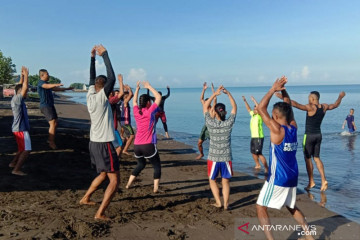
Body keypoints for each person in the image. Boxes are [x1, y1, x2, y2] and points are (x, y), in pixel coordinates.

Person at [256, 76, 314, 240]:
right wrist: (283, 90)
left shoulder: (276, 129)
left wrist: (272, 89)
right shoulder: (293, 127)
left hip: (278, 178)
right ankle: (309, 236)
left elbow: (261, 108)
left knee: (261, 207)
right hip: (292, 176)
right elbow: (289, 108)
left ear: (275, 115)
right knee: (291, 206)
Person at [79, 45, 119, 221]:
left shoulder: (89, 94)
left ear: (95, 85)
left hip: (93, 143)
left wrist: (92, 58)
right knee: (115, 181)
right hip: (103, 144)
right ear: (104, 89)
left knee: (103, 174)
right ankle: (100, 213)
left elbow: (91, 78)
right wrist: (105, 55)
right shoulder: (102, 97)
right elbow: (111, 77)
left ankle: (86, 197)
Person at [277, 90, 346, 191]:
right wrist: (340, 97)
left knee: (307, 158)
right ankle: (323, 180)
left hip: (309, 136)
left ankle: (311, 182)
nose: (308, 99)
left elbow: (296, 104)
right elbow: (335, 105)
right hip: (318, 135)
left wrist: (284, 98)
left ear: (313, 99)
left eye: (309, 98)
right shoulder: (324, 107)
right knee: (317, 158)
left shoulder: (310, 108)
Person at [203, 85, 237, 210]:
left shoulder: (210, 123)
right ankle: (226, 204)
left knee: (212, 180)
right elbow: (235, 107)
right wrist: (228, 94)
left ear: (215, 112)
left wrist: (214, 94)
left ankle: (218, 202)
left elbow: (205, 106)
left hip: (213, 158)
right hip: (226, 158)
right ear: (225, 112)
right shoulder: (228, 124)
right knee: (225, 181)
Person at [126, 81, 162, 193]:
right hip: (148, 145)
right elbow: (158, 97)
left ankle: (128, 184)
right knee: (157, 166)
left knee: (141, 164)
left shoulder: (137, 111)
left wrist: (137, 89)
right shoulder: (150, 111)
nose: (151, 102)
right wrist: (149, 86)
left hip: (137, 145)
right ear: (147, 103)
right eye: (150, 101)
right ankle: (156, 188)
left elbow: (134, 101)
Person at [37, 69, 73, 149]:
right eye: (47, 74)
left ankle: (50, 139)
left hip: (50, 105)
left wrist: (67, 89)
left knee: (55, 123)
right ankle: (51, 142)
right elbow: (46, 86)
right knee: (52, 123)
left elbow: (55, 89)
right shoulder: (41, 83)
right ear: (42, 75)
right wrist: (56, 84)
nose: (48, 75)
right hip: (45, 106)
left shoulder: (47, 83)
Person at [9, 66, 31, 176]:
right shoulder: (17, 99)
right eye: (25, 91)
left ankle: (13, 163)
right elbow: (24, 87)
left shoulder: (15, 97)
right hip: (21, 129)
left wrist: (22, 76)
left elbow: (20, 86)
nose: (27, 93)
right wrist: (26, 76)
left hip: (18, 128)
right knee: (26, 150)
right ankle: (16, 169)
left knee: (21, 149)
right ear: (20, 92)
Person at [242, 96, 268, 172]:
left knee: (259, 153)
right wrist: (245, 101)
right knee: (253, 152)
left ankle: (266, 167)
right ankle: (258, 165)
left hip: (259, 137)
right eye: (254, 109)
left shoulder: (260, 116)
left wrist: (254, 100)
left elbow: (260, 108)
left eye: (256, 109)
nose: (254, 110)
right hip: (253, 137)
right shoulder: (253, 115)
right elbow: (248, 109)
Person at [196, 82, 216, 160]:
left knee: (214, 144)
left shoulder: (212, 109)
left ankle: (214, 156)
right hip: (205, 127)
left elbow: (215, 99)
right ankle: (201, 154)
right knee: (199, 143)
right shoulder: (204, 108)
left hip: (212, 128)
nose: (206, 103)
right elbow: (201, 99)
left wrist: (213, 90)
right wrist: (204, 90)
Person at [109, 74, 124, 157]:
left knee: (114, 146)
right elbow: (121, 93)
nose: (113, 93)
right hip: (112, 128)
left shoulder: (105, 100)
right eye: (112, 92)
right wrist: (120, 81)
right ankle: (115, 162)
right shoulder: (110, 101)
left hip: (109, 128)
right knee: (119, 146)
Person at [120, 84, 135, 155]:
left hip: (123, 122)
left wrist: (126, 89)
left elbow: (131, 95)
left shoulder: (123, 102)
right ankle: (125, 150)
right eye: (126, 96)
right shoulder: (125, 102)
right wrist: (129, 88)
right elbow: (131, 94)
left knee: (128, 137)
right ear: (124, 97)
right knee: (132, 136)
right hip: (126, 123)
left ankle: (122, 147)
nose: (128, 97)